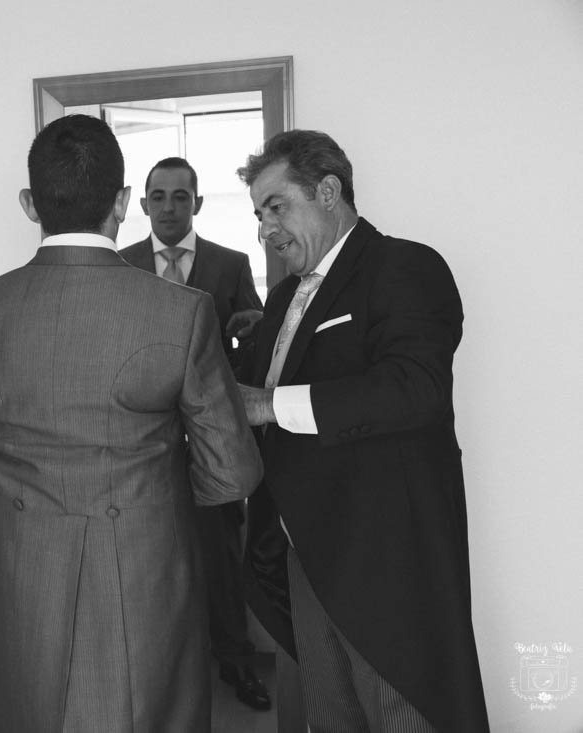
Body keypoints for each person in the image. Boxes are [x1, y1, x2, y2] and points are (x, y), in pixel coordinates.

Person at [0, 114, 262, 733]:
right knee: (151, 710)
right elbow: (230, 474)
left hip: (26, 557)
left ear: (30, 204)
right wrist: (152, 480)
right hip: (148, 561)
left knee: (33, 709)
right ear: (124, 202)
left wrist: (22, 471)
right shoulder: (182, 313)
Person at [236, 129, 489, 732]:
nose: (266, 229)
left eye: (277, 206)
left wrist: (269, 404)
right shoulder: (281, 299)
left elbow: (415, 388)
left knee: (404, 719)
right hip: (304, 556)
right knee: (331, 720)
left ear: (328, 192)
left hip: (386, 558)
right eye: (259, 215)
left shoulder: (405, 266)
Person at [118, 157, 271, 712]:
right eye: (158, 196)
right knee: (147, 559)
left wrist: (252, 332)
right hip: (142, 441)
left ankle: (235, 660)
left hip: (212, 440)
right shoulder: (121, 265)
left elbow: (257, 344)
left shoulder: (231, 264)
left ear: (197, 204)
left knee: (221, 556)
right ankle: (158, 672)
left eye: (180, 196)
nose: (168, 207)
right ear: (142, 205)